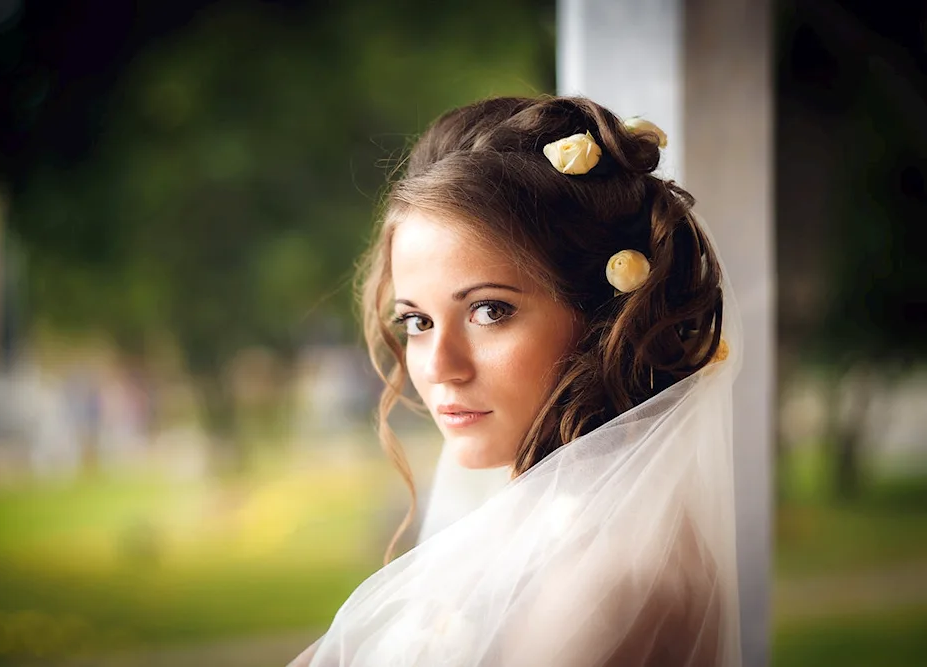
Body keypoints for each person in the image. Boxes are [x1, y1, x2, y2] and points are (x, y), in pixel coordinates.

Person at [289, 95, 742, 667]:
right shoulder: (551, 532)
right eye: (417, 321)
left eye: (489, 312)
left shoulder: (606, 583)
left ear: (601, 317)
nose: (438, 366)